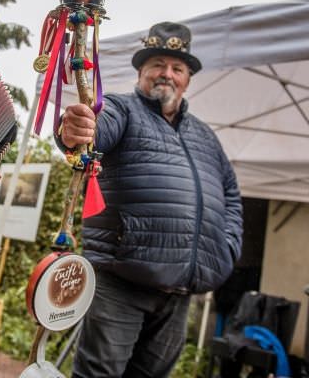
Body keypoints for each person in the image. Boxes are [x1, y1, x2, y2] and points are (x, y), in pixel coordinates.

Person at [58, 21, 244, 378]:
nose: (167, 74)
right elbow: (94, 128)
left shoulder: (206, 137)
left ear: (187, 79)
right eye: (157, 64)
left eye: (177, 68)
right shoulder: (120, 109)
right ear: (141, 71)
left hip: (181, 292)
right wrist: (75, 130)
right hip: (120, 280)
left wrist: (227, 248)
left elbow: (232, 197)